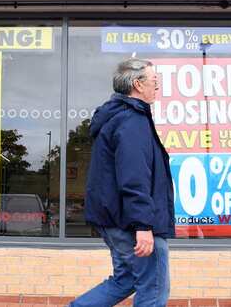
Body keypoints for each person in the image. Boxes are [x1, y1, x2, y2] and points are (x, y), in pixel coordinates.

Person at [71, 58, 175, 307]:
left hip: (117, 219)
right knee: (154, 287)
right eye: (154, 81)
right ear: (138, 85)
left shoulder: (117, 117)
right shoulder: (132, 121)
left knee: (125, 279)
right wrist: (142, 225)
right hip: (132, 222)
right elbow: (134, 177)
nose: (157, 86)